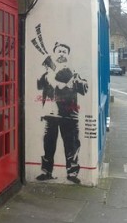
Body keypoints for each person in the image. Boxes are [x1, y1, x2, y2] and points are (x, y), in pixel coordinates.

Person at [36, 42, 88, 184]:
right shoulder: (47, 73)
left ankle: (72, 173)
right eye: (59, 51)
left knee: (71, 145)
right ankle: (46, 172)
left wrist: (74, 82)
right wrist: (46, 73)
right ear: (54, 54)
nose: (61, 53)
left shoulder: (74, 72)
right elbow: (37, 85)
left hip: (69, 115)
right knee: (48, 145)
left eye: (65, 51)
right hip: (50, 114)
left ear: (68, 55)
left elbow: (84, 88)